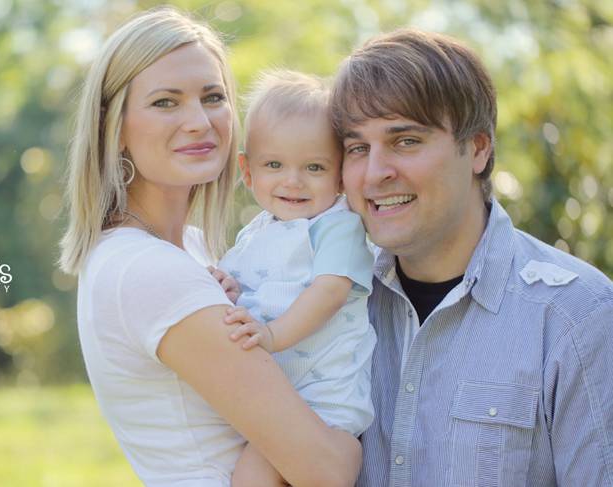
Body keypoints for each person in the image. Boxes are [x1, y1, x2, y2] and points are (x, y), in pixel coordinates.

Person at [58, 7, 361, 487]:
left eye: (213, 96)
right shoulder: (145, 267)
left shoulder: (194, 251)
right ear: (113, 126)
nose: (199, 121)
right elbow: (327, 469)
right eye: (165, 102)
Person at [331, 29, 613, 486]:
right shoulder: (333, 303)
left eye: (406, 141)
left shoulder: (577, 317)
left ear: (478, 148)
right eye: (357, 148)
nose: (375, 173)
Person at [215, 70, 376, 486]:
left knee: (252, 475)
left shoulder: (337, 225)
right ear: (248, 172)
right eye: (274, 164)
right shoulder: (256, 232)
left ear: (340, 175)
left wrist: (271, 337)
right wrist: (229, 289)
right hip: (278, 397)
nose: (293, 180)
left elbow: (329, 293)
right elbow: (248, 289)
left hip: (324, 400)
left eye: (314, 167)